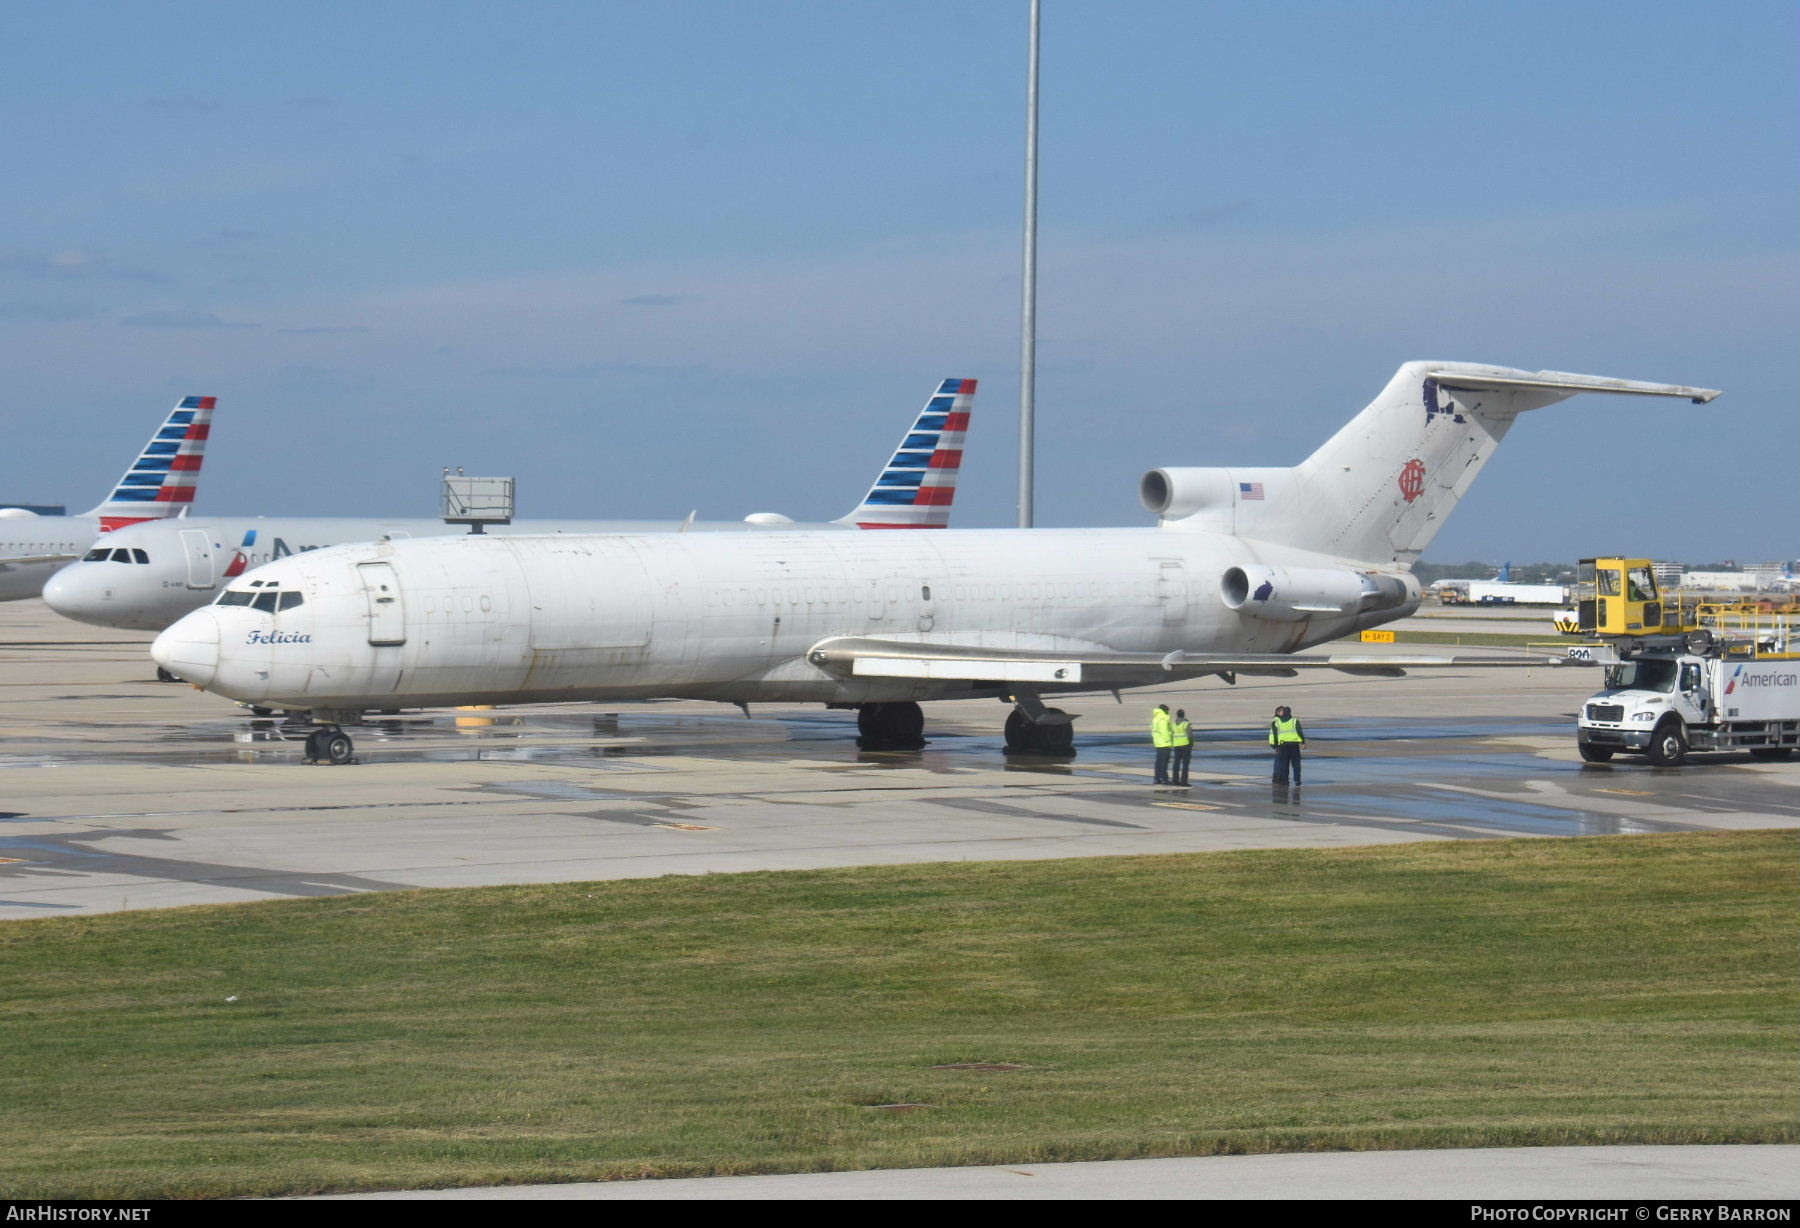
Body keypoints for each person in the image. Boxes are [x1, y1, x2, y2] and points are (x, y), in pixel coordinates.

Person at [1269, 704, 1305, 786]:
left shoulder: (1276, 721)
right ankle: (1297, 780)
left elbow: (1274, 734)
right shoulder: (1294, 720)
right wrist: (1302, 742)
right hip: (1294, 745)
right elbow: (1299, 732)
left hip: (1283, 745)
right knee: (1296, 764)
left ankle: (1285, 780)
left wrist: (1274, 746)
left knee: (1284, 764)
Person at [1150, 703, 1173, 784]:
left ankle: (1157, 778)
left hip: (1158, 743)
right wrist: (1169, 742)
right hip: (1164, 743)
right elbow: (1165, 732)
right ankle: (1164, 778)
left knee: (1158, 762)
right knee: (1164, 762)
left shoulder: (1155, 719)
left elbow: (1153, 731)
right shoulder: (1163, 720)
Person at [1170, 708, 1193, 786]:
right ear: (1183, 715)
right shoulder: (1186, 723)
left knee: (1176, 763)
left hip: (1176, 745)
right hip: (1185, 744)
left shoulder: (1173, 724)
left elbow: (1171, 734)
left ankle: (1174, 780)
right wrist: (1191, 744)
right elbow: (1190, 735)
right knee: (1185, 764)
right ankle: (1184, 781)